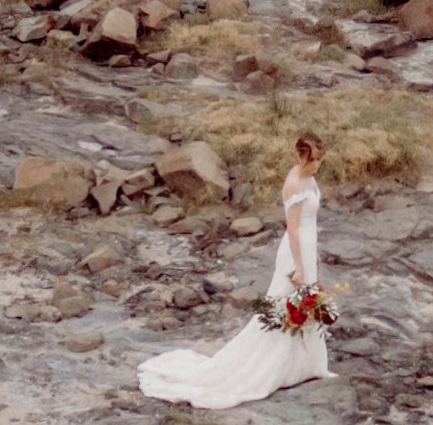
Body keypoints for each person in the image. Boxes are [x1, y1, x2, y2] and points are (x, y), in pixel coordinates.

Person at [139, 133, 335, 409]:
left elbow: (308, 223)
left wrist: (313, 252)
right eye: (312, 160)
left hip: (307, 247)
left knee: (307, 305)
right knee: (284, 306)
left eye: (319, 160)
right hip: (294, 253)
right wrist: (301, 267)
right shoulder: (293, 183)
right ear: (299, 157)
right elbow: (292, 228)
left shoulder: (309, 177)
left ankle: (309, 363)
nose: (316, 165)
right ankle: (273, 364)